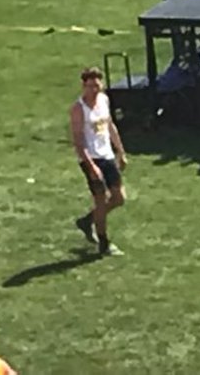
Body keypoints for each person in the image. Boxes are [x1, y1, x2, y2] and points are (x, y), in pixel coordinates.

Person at [71, 67, 128, 257]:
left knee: (119, 198)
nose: (94, 90)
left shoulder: (104, 100)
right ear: (83, 86)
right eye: (90, 86)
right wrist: (91, 166)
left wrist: (120, 151)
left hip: (107, 155)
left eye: (97, 85)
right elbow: (78, 141)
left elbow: (110, 125)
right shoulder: (78, 110)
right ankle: (104, 242)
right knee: (101, 200)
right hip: (91, 158)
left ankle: (88, 220)